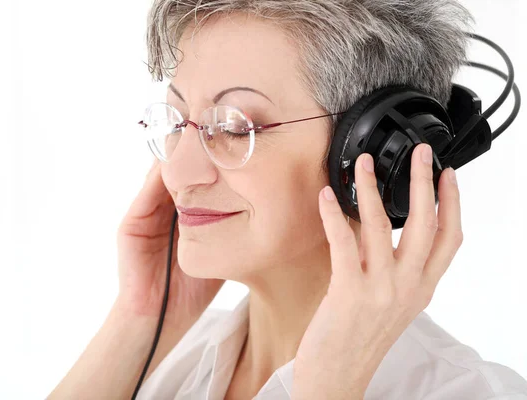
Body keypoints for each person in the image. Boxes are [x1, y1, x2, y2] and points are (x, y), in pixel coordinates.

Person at [47, 0, 527, 399]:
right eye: (177, 119)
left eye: (235, 127)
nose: (177, 170)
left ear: (376, 153)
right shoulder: (176, 360)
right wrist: (140, 316)